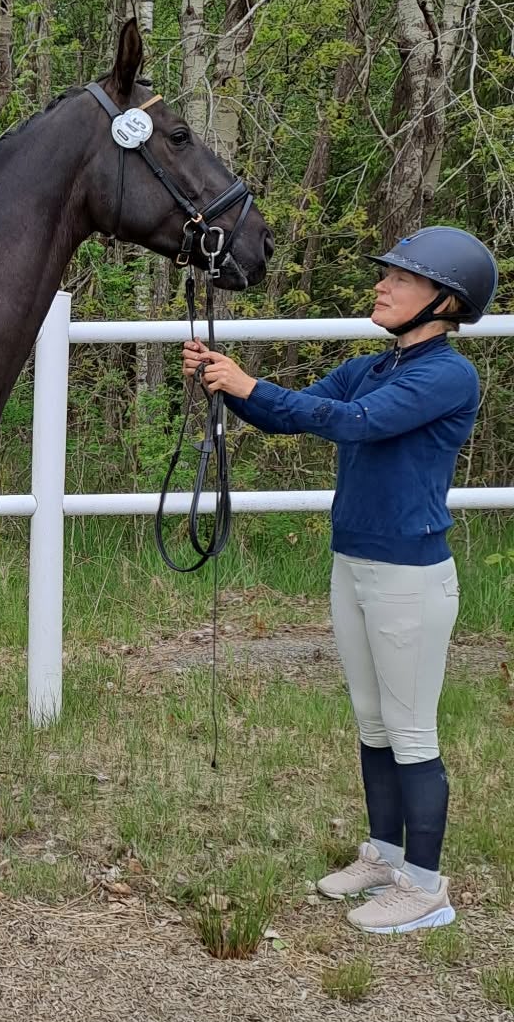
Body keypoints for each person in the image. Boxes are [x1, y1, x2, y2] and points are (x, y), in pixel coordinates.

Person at [183, 227, 498, 935]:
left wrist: (248, 383)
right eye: (385, 276)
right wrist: (228, 381)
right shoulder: (374, 367)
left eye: (400, 279)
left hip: (409, 576)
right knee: (374, 721)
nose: (382, 286)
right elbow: (292, 413)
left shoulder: (446, 375)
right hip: (354, 563)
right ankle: (385, 855)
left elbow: (352, 425)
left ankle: (425, 887)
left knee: (412, 731)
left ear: (444, 301)